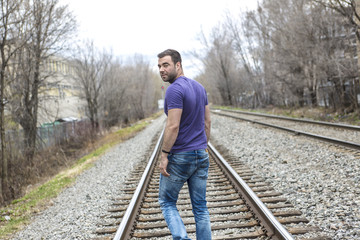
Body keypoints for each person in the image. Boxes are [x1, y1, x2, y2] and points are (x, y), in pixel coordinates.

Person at [157, 49, 212, 240]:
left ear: (178, 65)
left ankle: (181, 238)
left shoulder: (174, 90)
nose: (162, 70)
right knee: (200, 206)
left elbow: (173, 126)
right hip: (200, 154)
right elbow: (207, 122)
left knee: (166, 201)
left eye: (166, 65)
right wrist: (203, 145)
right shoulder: (199, 88)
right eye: (159, 66)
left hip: (180, 156)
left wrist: (164, 155)